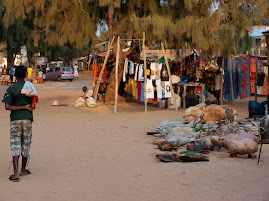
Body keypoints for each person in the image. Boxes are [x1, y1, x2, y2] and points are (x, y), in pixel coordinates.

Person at [2, 66, 36, 182]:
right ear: (26, 74)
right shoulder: (30, 87)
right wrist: (26, 106)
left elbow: (7, 107)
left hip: (15, 120)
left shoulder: (11, 89)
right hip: (27, 119)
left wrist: (20, 107)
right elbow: (34, 101)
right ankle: (23, 169)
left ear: (15, 75)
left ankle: (15, 173)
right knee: (26, 143)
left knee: (15, 144)